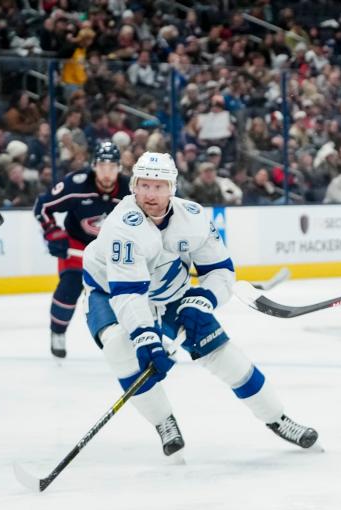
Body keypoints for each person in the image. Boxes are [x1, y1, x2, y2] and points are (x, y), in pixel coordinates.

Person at [81, 152, 318, 456]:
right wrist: (147, 340)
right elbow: (128, 293)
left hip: (170, 291)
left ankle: (278, 419)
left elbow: (220, 271)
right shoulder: (121, 228)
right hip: (107, 290)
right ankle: (163, 421)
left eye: (159, 186)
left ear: (172, 188)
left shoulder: (192, 217)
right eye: (144, 185)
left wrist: (203, 300)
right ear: (133, 188)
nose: (151, 194)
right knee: (120, 348)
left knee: (224, 355)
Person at [33, 141, 130, 359]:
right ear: (94, 166)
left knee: (125, 291)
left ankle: (133, 337)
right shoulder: (76, 185)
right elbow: (43, 206)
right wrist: (52, 233)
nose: (107, 173)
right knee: (71, 284)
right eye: (102, 166)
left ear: (119, 168)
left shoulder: (130, 191)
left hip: (112, 249)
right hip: (78, 244)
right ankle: (57, 332)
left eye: (112, 167)